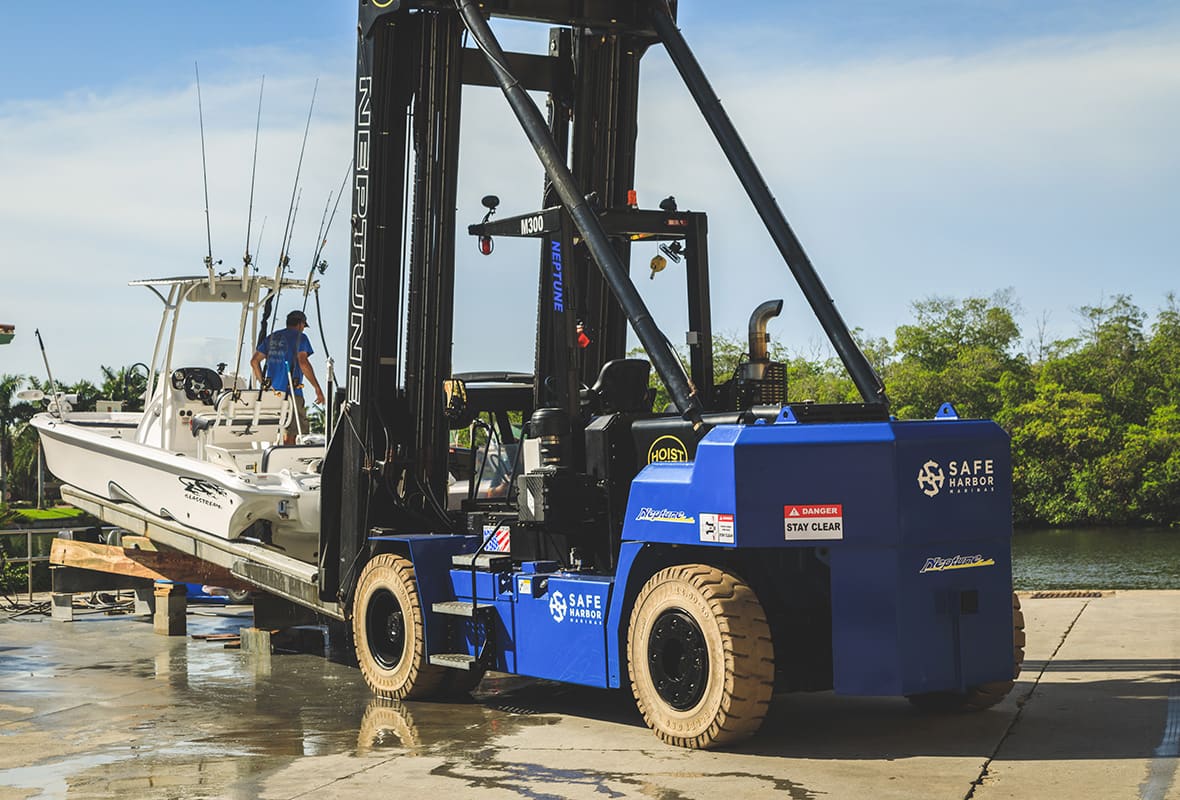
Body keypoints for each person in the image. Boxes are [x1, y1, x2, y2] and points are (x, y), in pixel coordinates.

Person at [250, 310, 325, 445]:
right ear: (300, 324)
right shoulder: (301, 338)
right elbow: (303, 362)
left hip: (272, 394)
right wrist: (317, 388)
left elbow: (254, 361)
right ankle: (289, 463)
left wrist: (263, 383)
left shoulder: (272, 337)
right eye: (303, 326)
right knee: (294, 433)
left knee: (280, 429)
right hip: (291, 393)